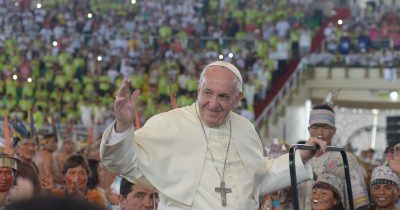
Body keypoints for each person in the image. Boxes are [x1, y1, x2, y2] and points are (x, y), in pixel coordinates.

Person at [100, 60, 327, 209]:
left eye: (223, 96)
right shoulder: (168, 124)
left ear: (237, 99)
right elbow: (122, 162)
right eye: (207, 93)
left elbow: (261, 176)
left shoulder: (245, 129)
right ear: (198, 89)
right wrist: (122, 124)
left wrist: (301, 158)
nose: (213, 103)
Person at [298, 103, 369, 210]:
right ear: (309, 130)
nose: (320, 132)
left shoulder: (345, 158)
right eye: (315, 127)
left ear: (334, 130)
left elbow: (358, 202)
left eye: (325, 127)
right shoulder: (300, 160)